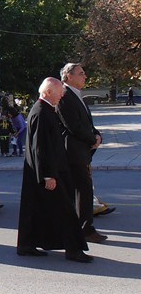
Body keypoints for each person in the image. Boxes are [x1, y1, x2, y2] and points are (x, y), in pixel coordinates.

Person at [17, 78, 92, 262]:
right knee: (66, 211)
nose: (62, 95)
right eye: (59, 92)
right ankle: (73, 249)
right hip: (48, 172)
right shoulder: (41, 112)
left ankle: (26, 245)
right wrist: (48, 175)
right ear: (49, 92)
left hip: (48, 170)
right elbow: (40, 147)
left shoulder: (45, 109)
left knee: (36, 209)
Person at [57, 63, 108, 243]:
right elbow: (73, 126)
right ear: (68, 76)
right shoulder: (63, 95)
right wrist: (91, 139)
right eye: (81, 73)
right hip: (73, 152)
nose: (85, 76)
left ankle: (81, 228)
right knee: (83, 191)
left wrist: (97, 135)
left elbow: (86, 123)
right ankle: (85, 230)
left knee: (83, 191)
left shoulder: (77, 95)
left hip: (81, 151)